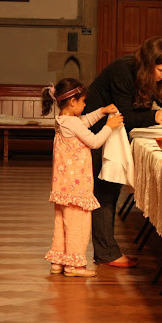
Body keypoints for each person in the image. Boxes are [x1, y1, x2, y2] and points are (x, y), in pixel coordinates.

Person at [84, 36, 162, 268]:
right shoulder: (122, 70)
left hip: (111, 130)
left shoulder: (153, 75)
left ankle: (106, 252)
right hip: (95, 129)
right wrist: (153, 116)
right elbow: (125, 116)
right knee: (105, 189)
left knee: (110, 188)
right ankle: (106, 254)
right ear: (148, 64)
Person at [42, 78, 124, 277]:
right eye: (83, 102)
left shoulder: (63, 120)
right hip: (77, 189)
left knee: (62, 224)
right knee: (78, 225)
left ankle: (58, 262)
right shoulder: (72, 123)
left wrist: (102, 111)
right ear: (73, 102)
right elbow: (94, 142)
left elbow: (84, 121)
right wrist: (109, 126)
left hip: (63, 188)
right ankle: (74, 266)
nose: (85, 105)